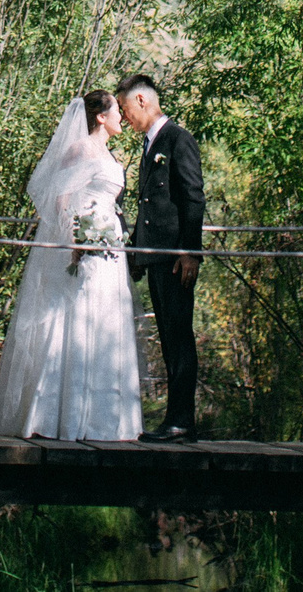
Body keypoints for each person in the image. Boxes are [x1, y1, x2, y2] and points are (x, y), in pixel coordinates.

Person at [0, 90, 144, 441]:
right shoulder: (80, 149)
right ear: (101, 116)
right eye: (117, 110)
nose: (122, 118)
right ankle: (63, 418)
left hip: (110, 248)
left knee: (106, 320)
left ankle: (106, 421)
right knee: (77, 316)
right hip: (86, 247)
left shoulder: (107, 154)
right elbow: (59, 198)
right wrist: (76, 241)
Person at [117, 72, 205, 442]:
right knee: (168, 337)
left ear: (141, 100)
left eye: (124, 109)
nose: (123, 119)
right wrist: (137, 248)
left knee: (179, 336)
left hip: (174, 258)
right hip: (155, 257)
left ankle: (182, 420)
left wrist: (191, 252)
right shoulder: (150, 144)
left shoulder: (177, 139)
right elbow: (151, 205)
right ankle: (176, 419)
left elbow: (193, 197)